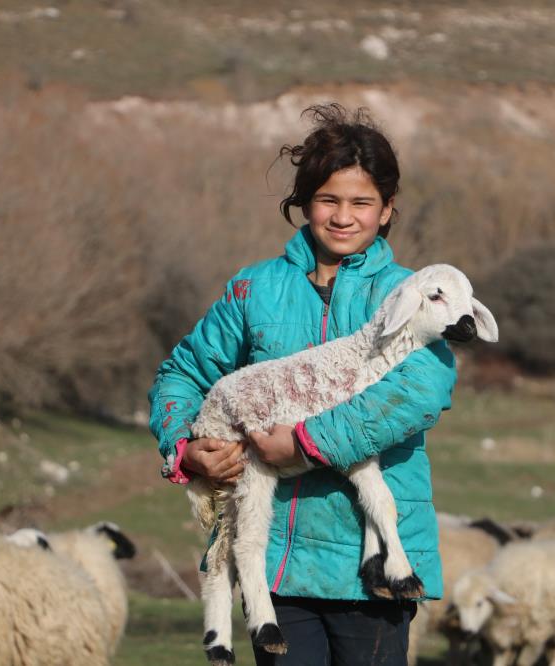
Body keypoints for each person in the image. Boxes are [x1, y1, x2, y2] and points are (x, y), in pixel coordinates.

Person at [148, 103, 456, 666]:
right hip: (276, 567)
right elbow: (183, 373)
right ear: (303, 204)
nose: (343, 216)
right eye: (328, 200)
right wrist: (187, 447)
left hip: (372, 568)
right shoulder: (256, 289)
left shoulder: (412, 295)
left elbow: (418, 392)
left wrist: (306, 443)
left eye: (362, 202)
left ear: (387, 210)